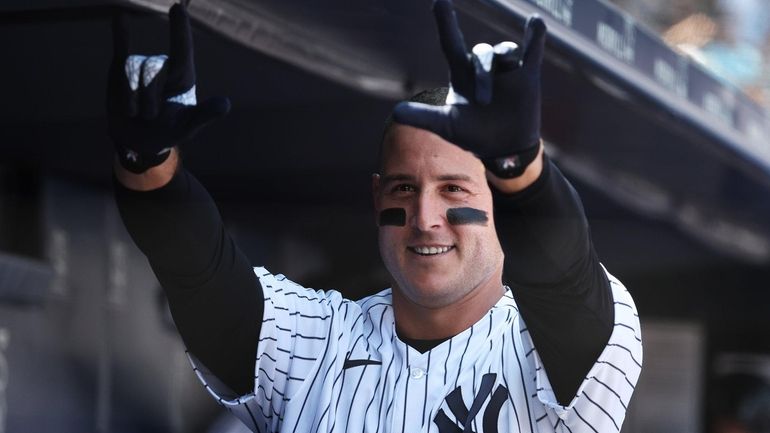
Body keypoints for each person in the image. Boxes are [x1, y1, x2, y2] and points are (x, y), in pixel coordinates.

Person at [109, 2, 642, 432]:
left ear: (501, 200)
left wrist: (521, 170)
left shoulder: (560, 347)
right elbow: (197, 270)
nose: (425, 216)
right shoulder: (313, 342)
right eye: (404, 188)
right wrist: (150, 170)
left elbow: (563, 272)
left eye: (453, 187)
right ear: (375, 197)